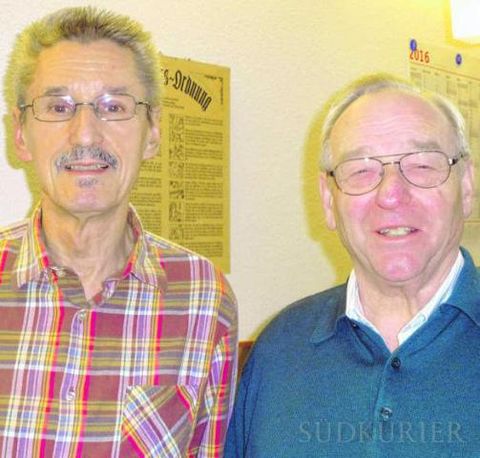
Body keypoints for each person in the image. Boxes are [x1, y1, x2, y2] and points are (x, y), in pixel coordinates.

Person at [1, 6, 237, 457]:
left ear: (151, 134)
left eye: (114, 107)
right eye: (57, 107)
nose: (85, 134)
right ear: (20, 135)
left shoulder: (205, 299)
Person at [225, 74, 479, 457]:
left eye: (423, 165)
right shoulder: (279, 350)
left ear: (466, 186)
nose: (392, 194)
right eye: (361, 170)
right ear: (329, 200)